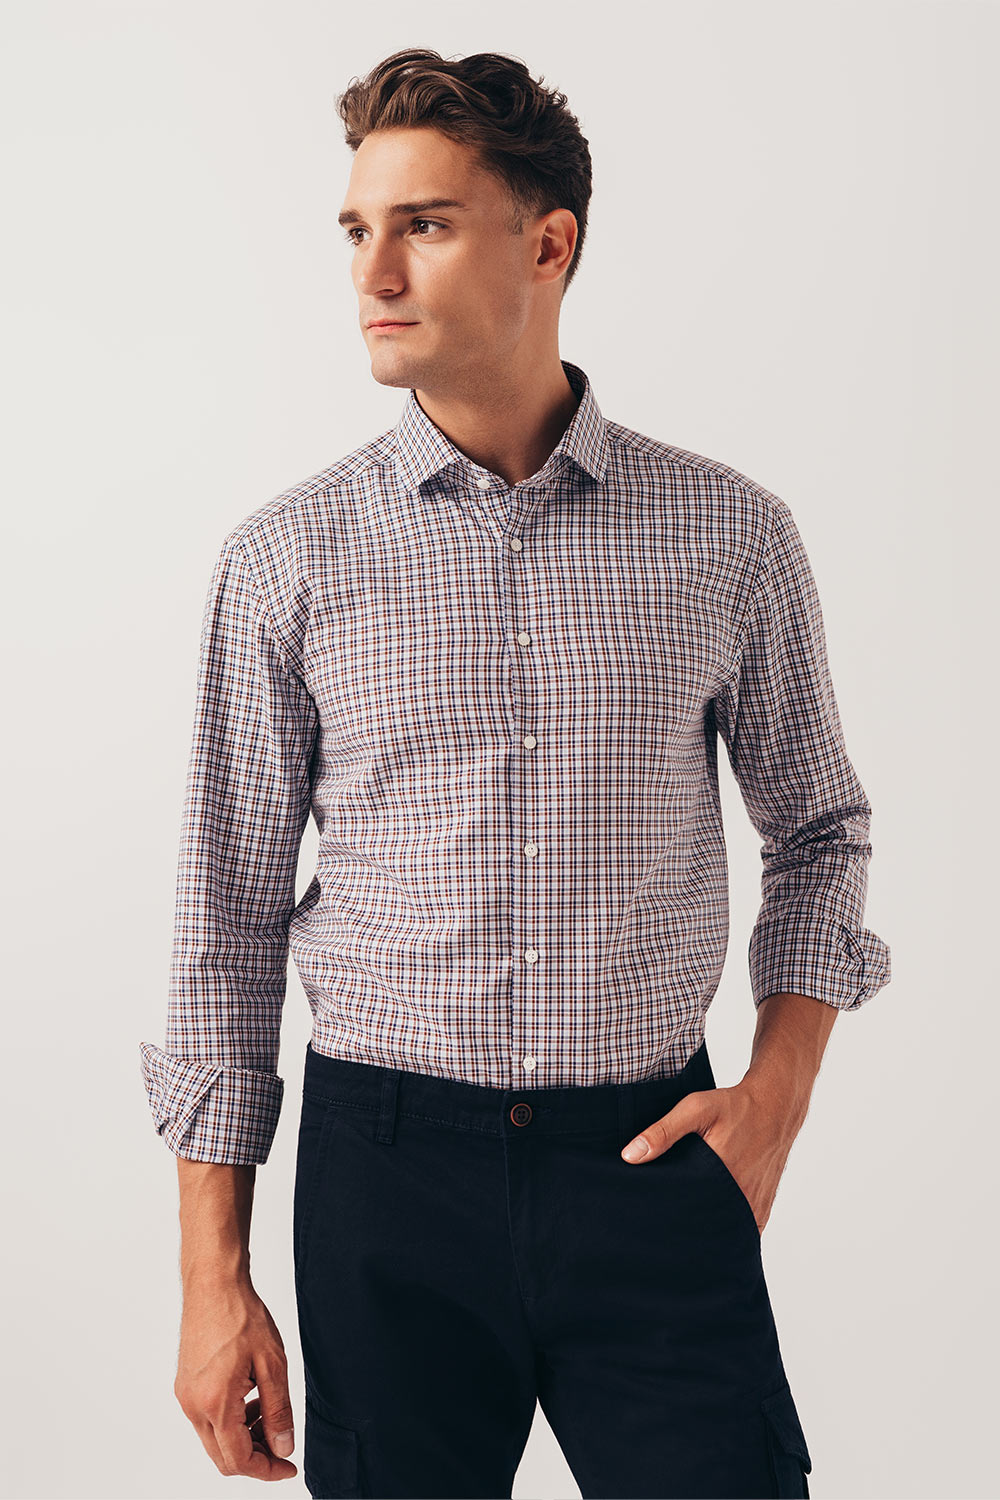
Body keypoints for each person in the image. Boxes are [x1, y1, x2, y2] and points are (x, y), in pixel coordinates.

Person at [139, 47, 891, 1500]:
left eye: (424, 225)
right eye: (358, 230)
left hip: (652, 1162)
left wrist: (777, 1095)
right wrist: (209, 1276)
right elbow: (223, 918)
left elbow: (820, 831)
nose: (375, 272)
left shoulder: (727, 535)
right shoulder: (288, 560)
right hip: (384, 1177)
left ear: (550, 245)